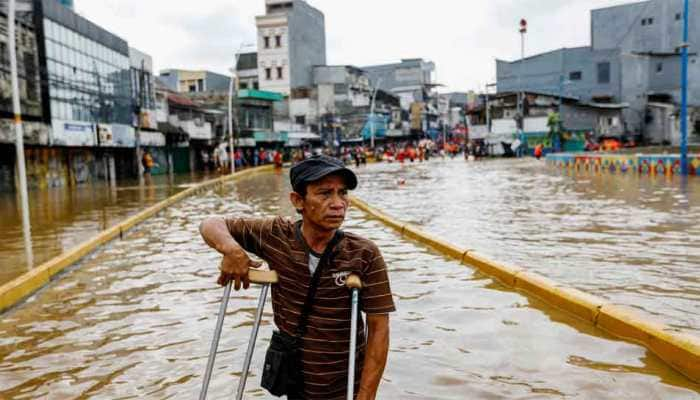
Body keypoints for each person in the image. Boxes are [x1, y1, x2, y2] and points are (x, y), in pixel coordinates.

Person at [199, 155, 395, 400]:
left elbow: (379, 329)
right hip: (294, 381)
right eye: (325, 194)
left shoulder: (364, 254)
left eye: (342, 193)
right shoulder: (276, 235)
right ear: (298, 201)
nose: (338, 203)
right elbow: (211, 223)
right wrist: (231, 249)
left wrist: (365, 397)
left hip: (345, 386)